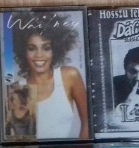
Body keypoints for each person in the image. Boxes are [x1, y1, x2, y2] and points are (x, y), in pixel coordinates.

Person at [11, 12, 89, 140]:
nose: (39, 55)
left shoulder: (69, 76)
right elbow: (19, 140)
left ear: (55, 50)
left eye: (46, 48)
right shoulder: (17, 88)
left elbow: (88, 122)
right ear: (23, 52)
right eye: (32, 48)